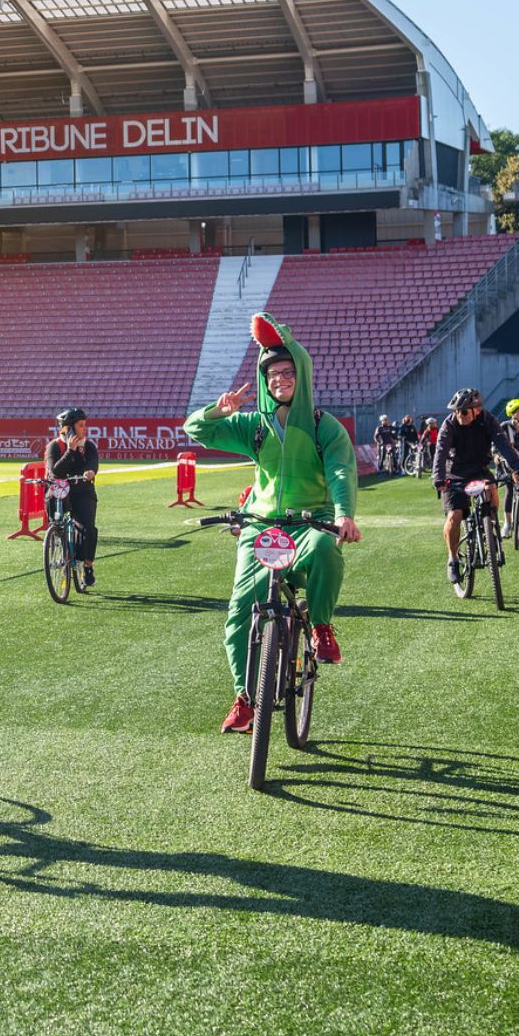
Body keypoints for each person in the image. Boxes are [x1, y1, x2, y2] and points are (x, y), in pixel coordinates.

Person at [184, 313, 358, 735]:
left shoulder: (324, 427)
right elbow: (195, 430)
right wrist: (218, 410)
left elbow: (340, 472)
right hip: (261, 526)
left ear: (302, 375)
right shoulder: (253, 427)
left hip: (309, 521)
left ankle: (319, 627)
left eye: (287, 371)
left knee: (323, 551)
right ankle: (245, 695)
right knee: (241, 609)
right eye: (273, 373)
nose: (279, 378)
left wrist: (343, 514)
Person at [432, 389, 519, 584]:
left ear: (476, 410)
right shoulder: (449, 424)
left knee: (490, 488)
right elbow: (440, 452)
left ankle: (491, 526)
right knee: (455, 516)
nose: (459, 415)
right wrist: (438, 477)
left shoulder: (487, 420)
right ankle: (453, 559)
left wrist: (518, 468)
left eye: (464, 411)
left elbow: (503, 445)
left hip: (479, 470)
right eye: (457, 411)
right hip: (455, 474)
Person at [45, 408, 101, 590]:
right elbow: (56, 472)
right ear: (69, 429)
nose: (85, 429)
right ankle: (56, 536)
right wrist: (70, 450)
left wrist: (90, 472)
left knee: (88, 528)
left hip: (83, 491)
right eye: (81, 426)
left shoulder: (89, 446)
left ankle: (87, 567)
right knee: (52, 504)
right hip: (60, 491)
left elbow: (92, 465)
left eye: (85, 425)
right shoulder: (55, 446)